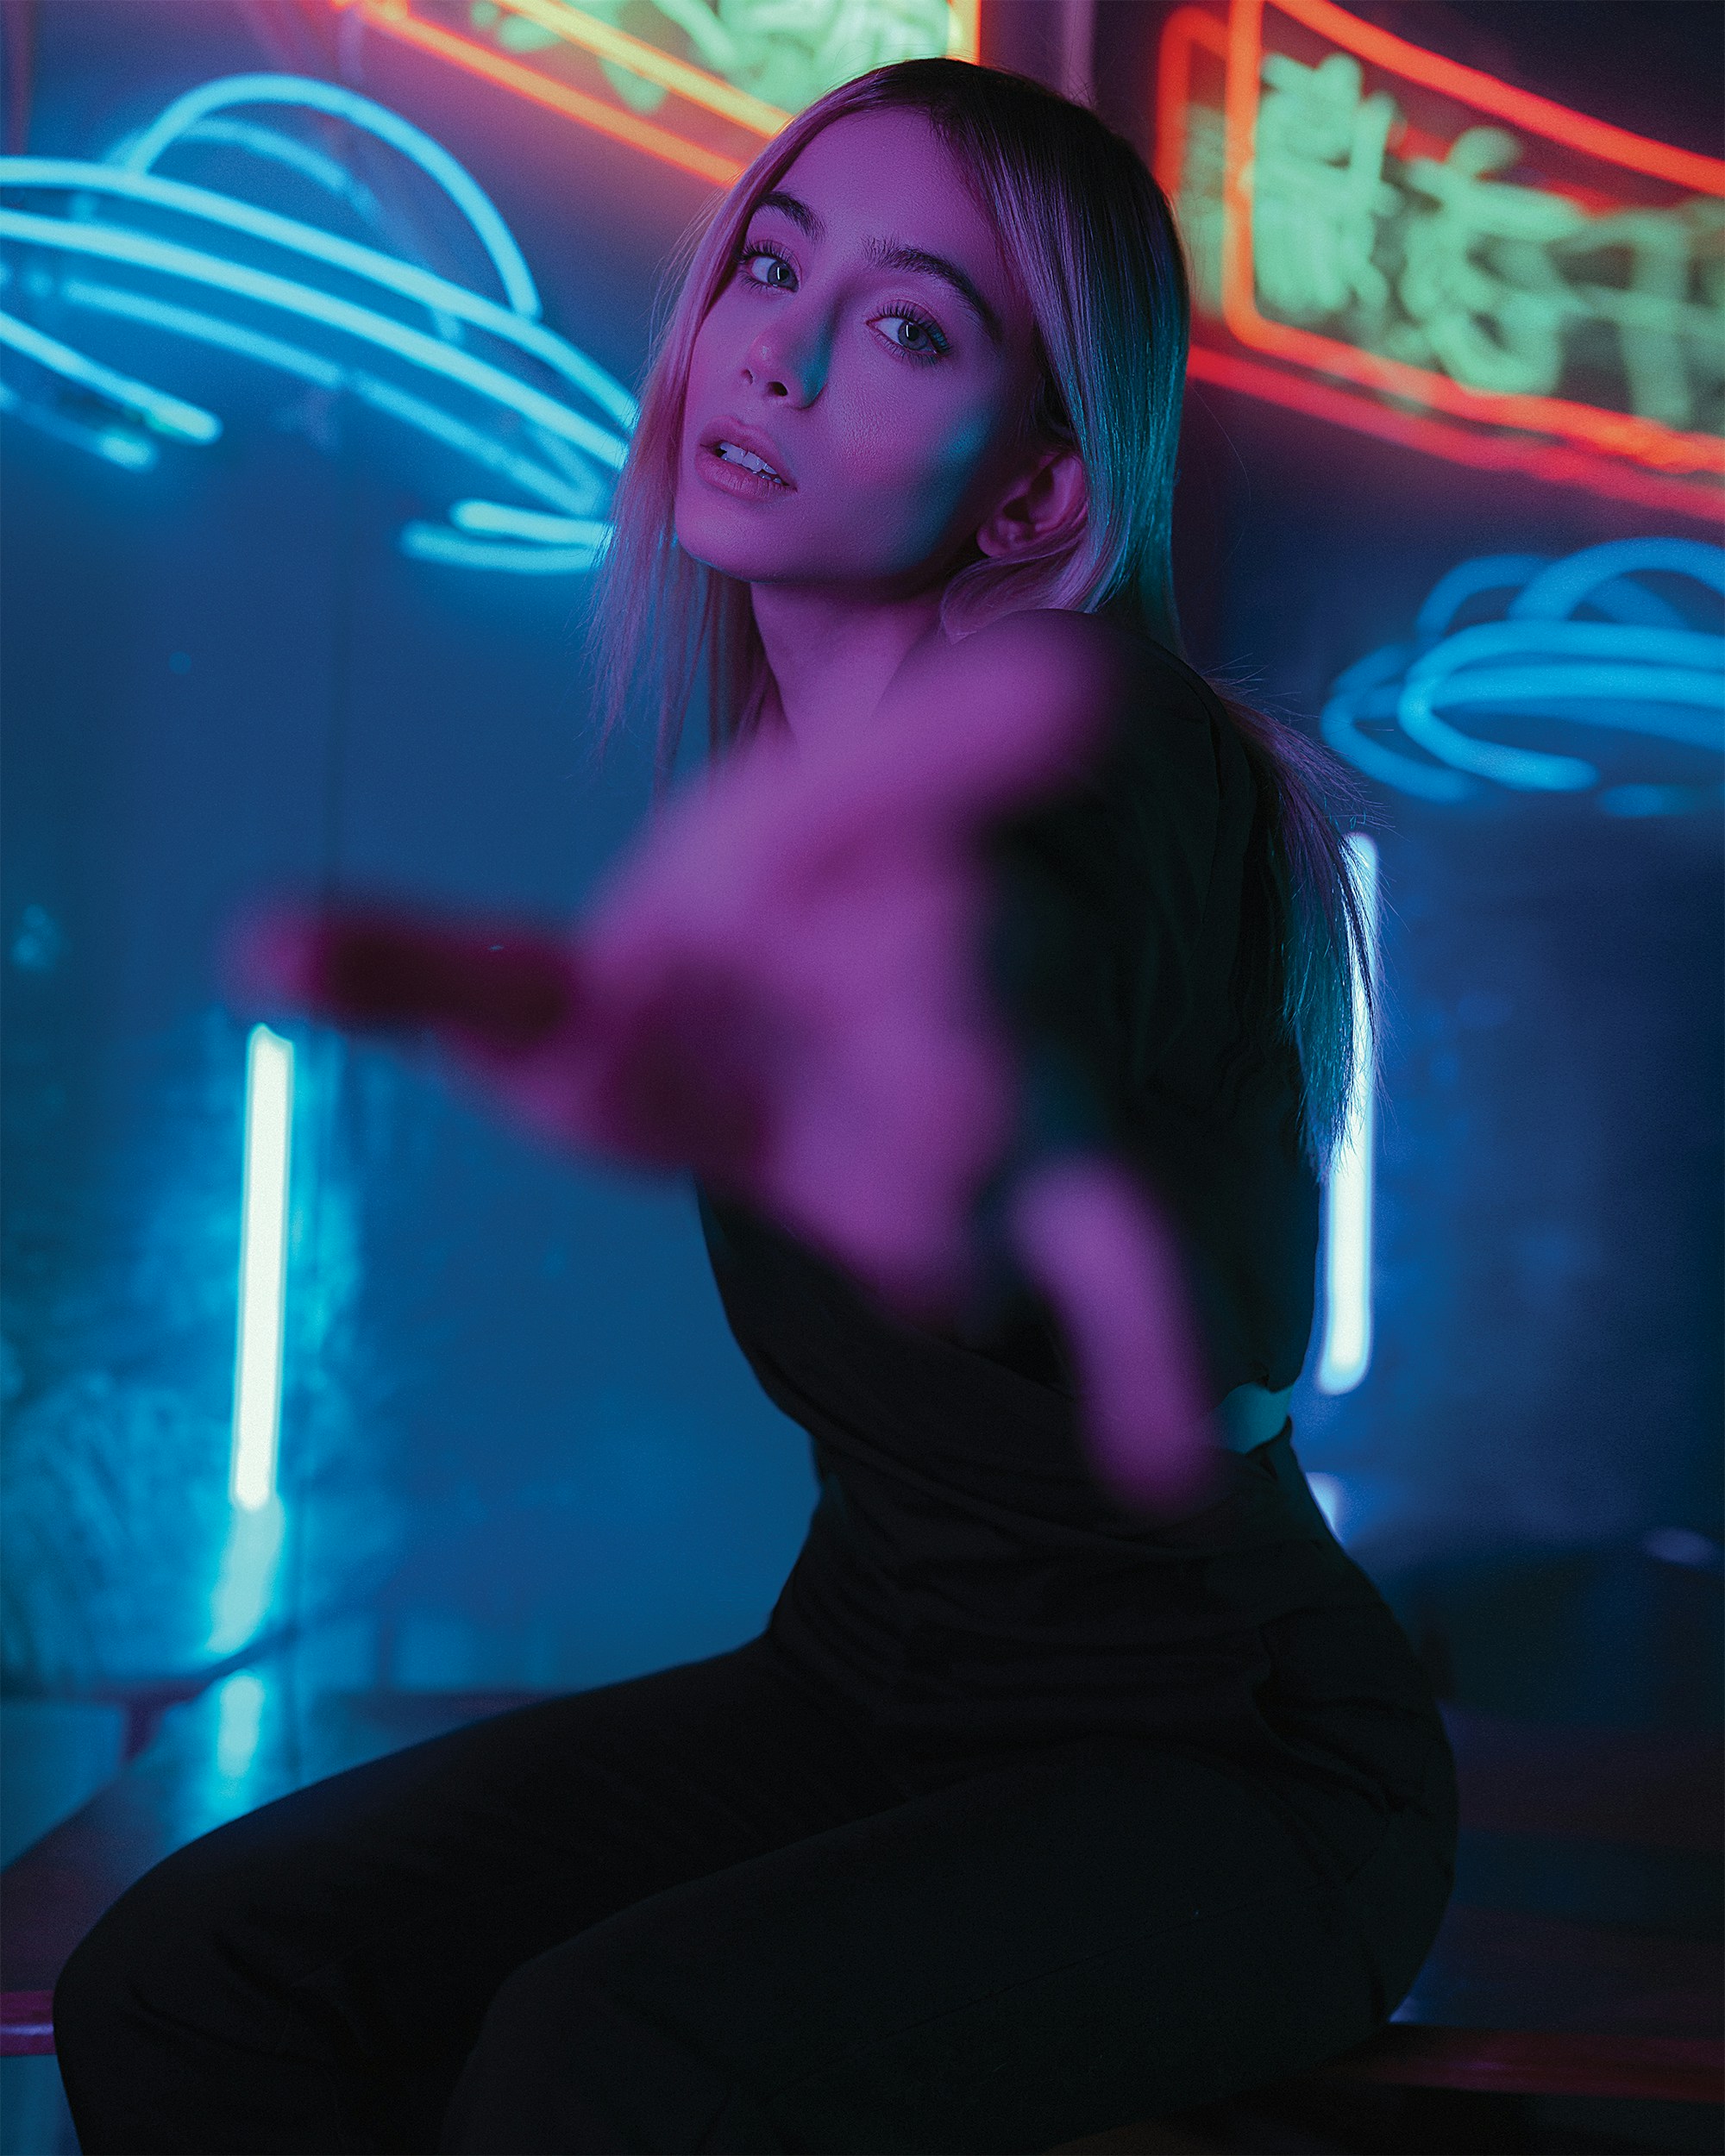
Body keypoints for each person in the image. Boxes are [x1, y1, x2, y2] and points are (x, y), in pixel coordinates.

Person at [52, 59, 1457, 2155]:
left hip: (1228, 1765)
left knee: (597, 2071)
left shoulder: (1107, 751)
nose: (776, 358)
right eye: (769, 271)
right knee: (190, 1980)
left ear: (1035, 494)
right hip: (869, 1684)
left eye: (905, 326)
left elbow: (1026, 1012)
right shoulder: (773, 800)